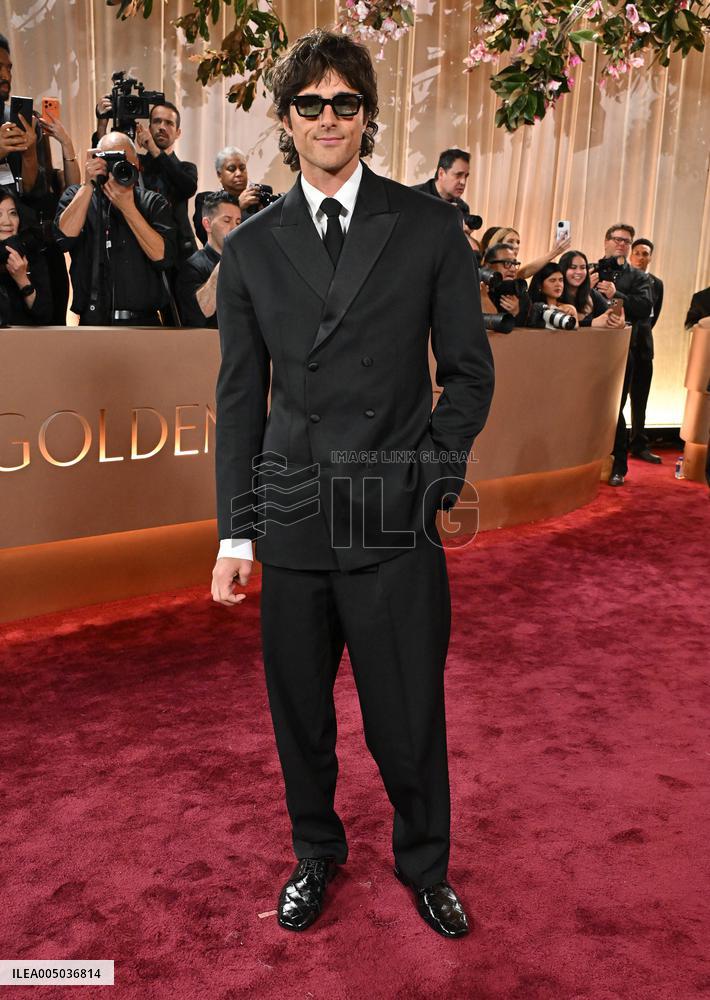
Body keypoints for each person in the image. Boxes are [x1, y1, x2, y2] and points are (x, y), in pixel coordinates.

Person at [212, 29, 494, 939]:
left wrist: (430, 475)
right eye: (310, 105)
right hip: (292, 519)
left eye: (344, 102)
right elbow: (239, 401)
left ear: (368, 117)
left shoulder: (425, 226)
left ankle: (424, 862)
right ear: (287, 122)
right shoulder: (252, 246)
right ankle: (315, 851)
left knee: (408, 711)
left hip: (393, 516)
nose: (327, 119)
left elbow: (469, 372)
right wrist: (234, 532)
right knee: (300, 715)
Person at [54, 131, 176, 326]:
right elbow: (63, 239)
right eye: (108, 160)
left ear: (136, 165)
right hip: (93, 321)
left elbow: (163, 257)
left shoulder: (152, 202)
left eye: (122, 160)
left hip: (145, 324)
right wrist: (87, 185)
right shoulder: (78, 196)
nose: (115, 168)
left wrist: (128, 208)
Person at [593, 223, 653, 486]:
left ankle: (619, 464)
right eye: (616, 239)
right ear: (606, 241)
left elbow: (644, 307)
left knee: (614, 408)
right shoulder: (589, 270)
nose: (621, 244)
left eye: (626, 241)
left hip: (622, 350)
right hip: (588, 349)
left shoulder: (639, 277)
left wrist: (616, 294)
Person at [134, 102, 197, 264]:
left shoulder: (186, 168)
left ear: (178, 133)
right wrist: (102, 125)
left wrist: (154, 150)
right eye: (157, 121)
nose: (162, 127)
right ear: (149, 127)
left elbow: (187, 187)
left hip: (180, 256)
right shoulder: (136, 164)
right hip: (143, 251)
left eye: (169, 123)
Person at [176, 191, 240, 327]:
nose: (235, 228)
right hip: (210, 343)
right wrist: (227, 259)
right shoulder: (193, 266)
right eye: (227, 220)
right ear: (207, 224)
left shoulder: (245, 263)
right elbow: (200, 313)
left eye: (238, 222)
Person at [627, 237, 664, 462]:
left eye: (646, 254)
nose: (641, 257)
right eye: (638, 253)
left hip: (644, 346)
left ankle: (638, 443)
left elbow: (653, 316)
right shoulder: (622, 279)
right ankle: (611, 444)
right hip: (622, 345)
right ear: (631, 255)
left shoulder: (657, 284)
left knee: (641, 398)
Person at [0, 185, 52, 323]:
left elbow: (44, 316)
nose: (7, 222)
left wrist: (22, 279)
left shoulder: (32, 255)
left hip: (24, 341)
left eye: (13, 213)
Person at [193, 146, 262, 245]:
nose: (239, 173)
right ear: (219, 175)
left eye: (242, 168)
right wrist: (238, 206)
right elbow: (204, 236)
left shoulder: (256, 199)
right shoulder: (205, 200)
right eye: (232, 169)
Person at [0, 34, 39, 196]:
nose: (6, 76)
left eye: (8, 68)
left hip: (17, 215)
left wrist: (29, 153)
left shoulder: (16, 119)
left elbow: (27, 190)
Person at [559, 250, 625, 328]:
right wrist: (592, 323)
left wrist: (619, 323)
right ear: (563, 270)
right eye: (573, 267)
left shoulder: (593, 294)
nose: (579, 272)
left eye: (583, 268)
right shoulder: (556, 295)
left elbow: (608, 315)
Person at [411, 148, 471, 224]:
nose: (463, 182)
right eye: (458, 175)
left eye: (466, 176)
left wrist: (463, 234)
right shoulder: (413, 197)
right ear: (441, 173)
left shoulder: (463, 208)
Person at [480, 242, 530, 326]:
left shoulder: (519, 291)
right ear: (488, 266)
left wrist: (515, 314)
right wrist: (484, 297)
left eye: (515, 264)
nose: (513, 269)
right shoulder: (476, 289)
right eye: (507, 263)